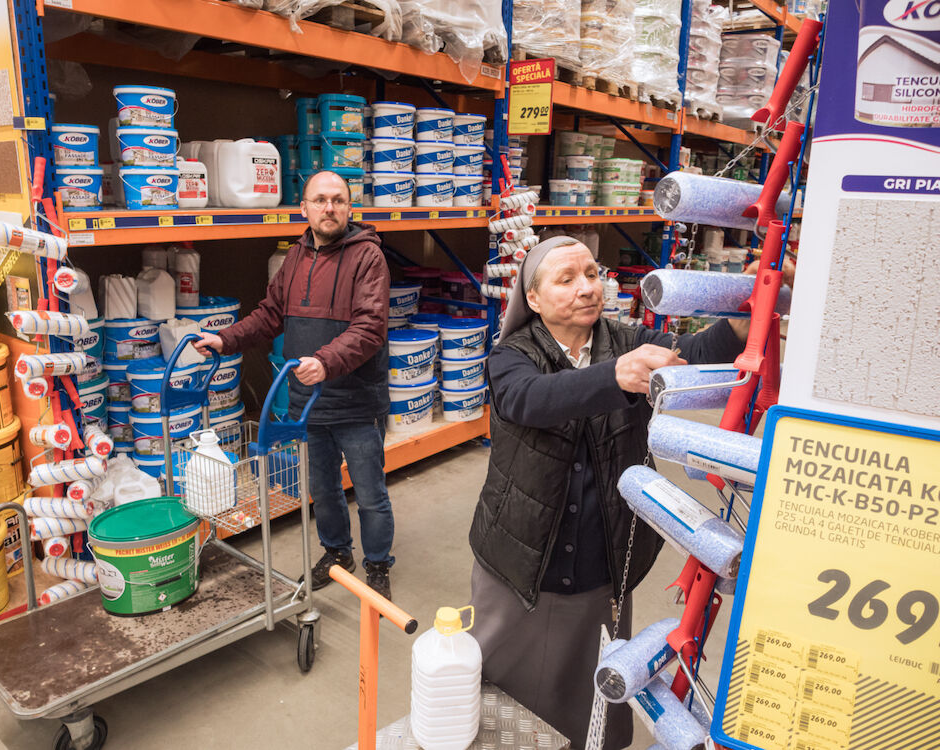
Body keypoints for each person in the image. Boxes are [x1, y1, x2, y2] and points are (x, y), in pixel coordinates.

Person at [468, 236, 789, 748]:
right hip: (521, 556)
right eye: (566, 279)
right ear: (532, 298)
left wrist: (748, 311)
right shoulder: (512, 356)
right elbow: (528, 399)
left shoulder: (629, 340)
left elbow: (696, 353)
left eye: (592, 274)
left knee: (594, 684)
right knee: (504, 683)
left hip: (602, 556)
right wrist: (614, 377)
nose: (586, 288)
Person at [194, 170, 395, 599]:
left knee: (370, 493)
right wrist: (225, 339)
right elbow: (269, 315)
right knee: (323, 489)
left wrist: (325, 362)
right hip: (309, 402)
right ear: (304, 208)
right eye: (320, 200)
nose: (329, 208)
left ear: (349, 207)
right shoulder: (296, 258)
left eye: (338, 200)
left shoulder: (368, 257)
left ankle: (378, 565)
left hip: (357, 402)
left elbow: (370, 327)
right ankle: (337, 553)